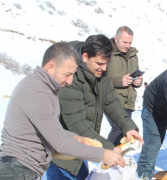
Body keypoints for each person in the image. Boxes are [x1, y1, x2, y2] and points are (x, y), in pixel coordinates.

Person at [0, 43, 126, 180]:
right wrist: (103, 154)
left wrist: (75, 137)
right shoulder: (37, 93)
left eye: (73, 74)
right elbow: (60, 143)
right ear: (50, 67)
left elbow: (49, 128)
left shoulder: (43, 86)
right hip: (17, 170)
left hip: (21, 168)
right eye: (67, 74)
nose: (70, 81)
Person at [46, 35, 144, 180]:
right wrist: (108, 149)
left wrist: (128, 126)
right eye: (99, 63)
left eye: (107, 63)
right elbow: (76, 124)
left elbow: (110, 101)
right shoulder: (70, 77)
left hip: (82, 148)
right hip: (61, 155)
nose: (104, 68)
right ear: (85, 57)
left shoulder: (100, 71)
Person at [106, 26, 143, 146]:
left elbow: (136, 74)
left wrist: (138, 81)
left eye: (130, 42)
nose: (127, 45)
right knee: (118, 128)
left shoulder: (133, 54)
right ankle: (107, 157)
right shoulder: (106, 52)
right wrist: (119, 81)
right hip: (111, 98)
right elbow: (98, 77)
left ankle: (117, 159)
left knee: (125, 132)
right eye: (124, 42)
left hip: (128, 101)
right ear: (116, 39)